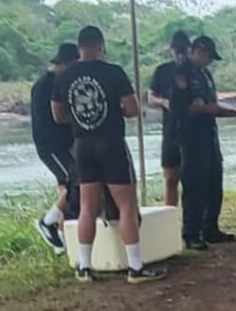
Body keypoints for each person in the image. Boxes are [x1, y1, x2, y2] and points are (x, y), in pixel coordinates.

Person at [51, 25, 167, 285]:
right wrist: (114, 111)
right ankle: (135, 266)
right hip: (110, 142)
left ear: (79, 46)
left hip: (82, 144)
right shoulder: (113, 72)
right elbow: (133, 108)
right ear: (100, 45)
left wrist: (81, 118)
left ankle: (83, 265)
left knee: (87, 206)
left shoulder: (64, 77)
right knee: (126, 204)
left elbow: (57, 115)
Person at [170, 35, 236, 250]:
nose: (209, 61)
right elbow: (184, 107)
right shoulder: (181, 73)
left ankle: (210, 228)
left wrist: (224, 110)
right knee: (194, 185)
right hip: (190, 135)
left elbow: (212, 102)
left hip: (209, 133)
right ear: (197, 51)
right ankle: (191, 232)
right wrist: (217, 110)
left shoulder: (205, 74)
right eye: (207, 56)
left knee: (213, 181)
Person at [31, 42, 79, 254]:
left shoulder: (57, 82)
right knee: (74, 182)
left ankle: (62, 236)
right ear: (65, 63)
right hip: (51, 145)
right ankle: (48, 221)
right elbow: (50, 121)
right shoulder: (45, 86)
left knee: (66, 187)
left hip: (63, 144)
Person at [147, 30, 190, 208]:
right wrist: (163, 101)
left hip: (191, 131)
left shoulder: (194, 69)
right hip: (170, 130)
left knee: (191, 181)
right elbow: (150, 97)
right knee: (170, 179)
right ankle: (170, 218)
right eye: (176, 49)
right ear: (170, 50)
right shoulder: (162, 71)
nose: (179, 53)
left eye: (183, 49)